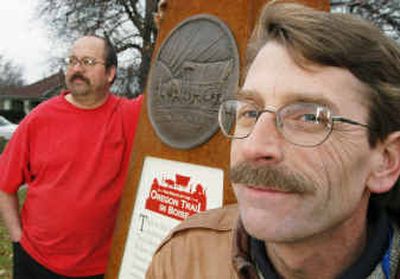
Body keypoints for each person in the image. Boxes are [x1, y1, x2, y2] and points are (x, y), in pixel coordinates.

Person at [146, 2, 400, 279]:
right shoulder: (183, 258)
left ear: (385, 161)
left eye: (309, 118)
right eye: (251, 112)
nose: (254, 147)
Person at [0, 35, 142, 278]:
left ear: (110, 73)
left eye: (88, 61)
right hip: (35, 261)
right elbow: (5, 185)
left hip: (100, 268)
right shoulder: (39, 118)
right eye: (73, 60)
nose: (77, 69)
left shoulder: (129, 116)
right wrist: (18, 240)